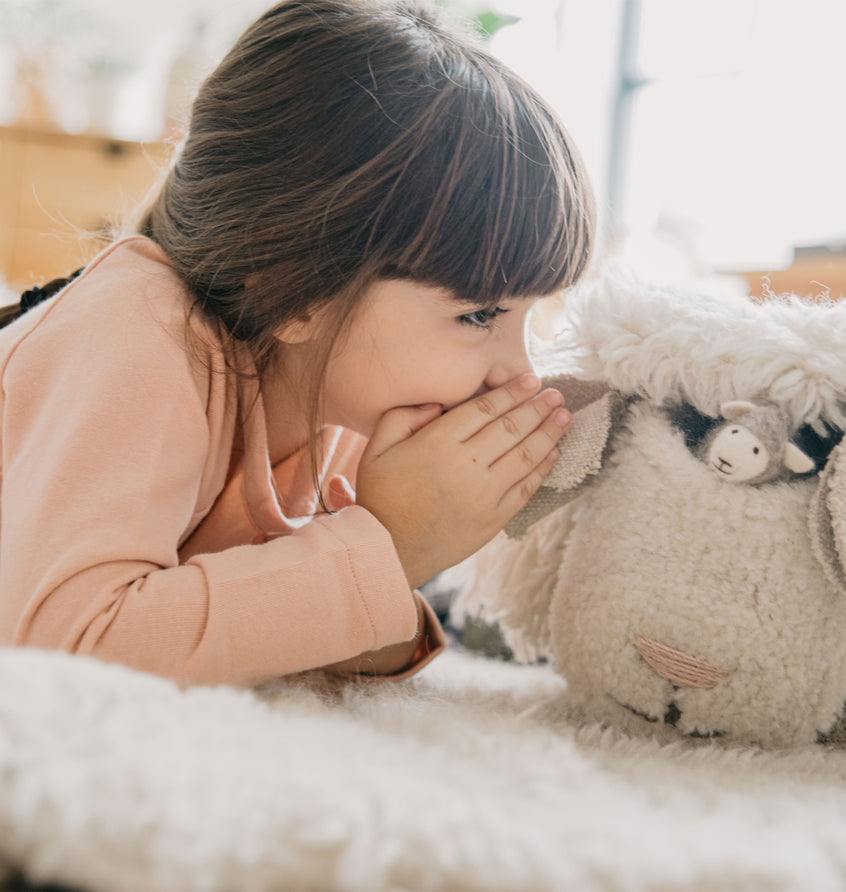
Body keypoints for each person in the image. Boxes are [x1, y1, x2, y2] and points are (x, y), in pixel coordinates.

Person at [0, 0, 594, 687]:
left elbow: (269, 627)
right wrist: (391, 545)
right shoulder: (136, 330)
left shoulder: (335, 401)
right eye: (478, 315)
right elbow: (64, 650)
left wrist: (397, 550)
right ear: (297, 290)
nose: (517, 372)